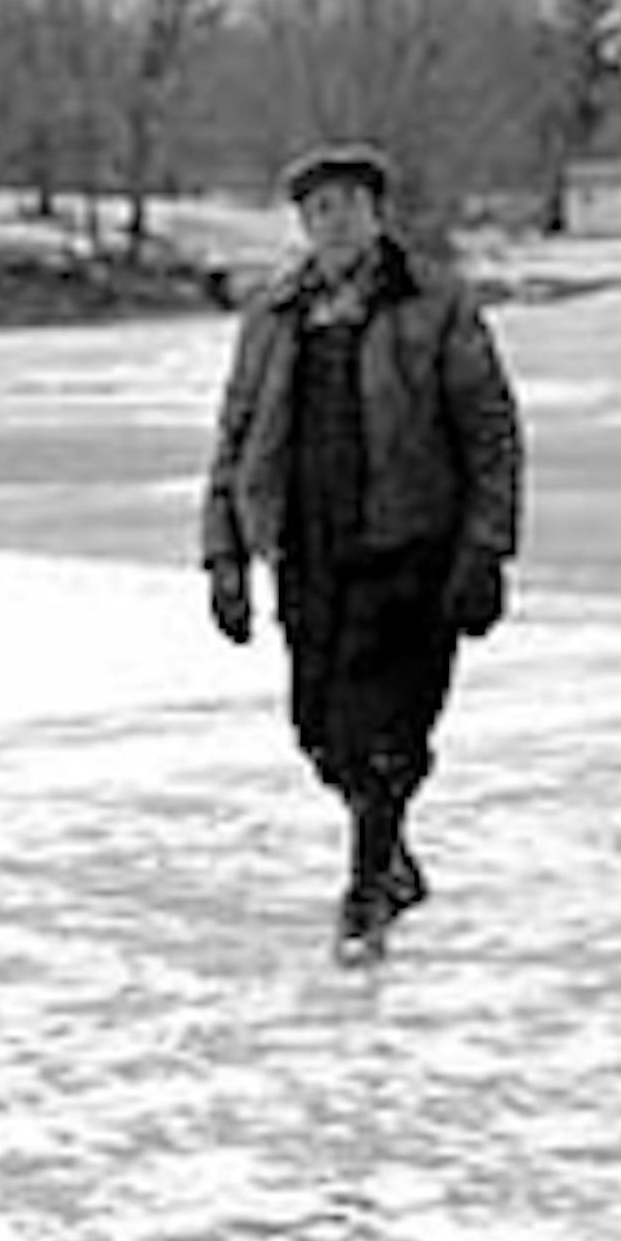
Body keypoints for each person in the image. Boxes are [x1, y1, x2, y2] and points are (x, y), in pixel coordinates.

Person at [201, 140, 524, 961]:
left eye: (346, 206)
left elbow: (491, 435)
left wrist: (486, 550)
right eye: (316, 211)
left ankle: (366, 888)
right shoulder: (274, 317)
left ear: (377, 216)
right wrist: (225, 558)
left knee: (385, 734)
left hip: (411, 552)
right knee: (319, 733)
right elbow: (236, 436)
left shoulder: (435, 306)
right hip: (310, 553)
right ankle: (393, 855)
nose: (331, 224)